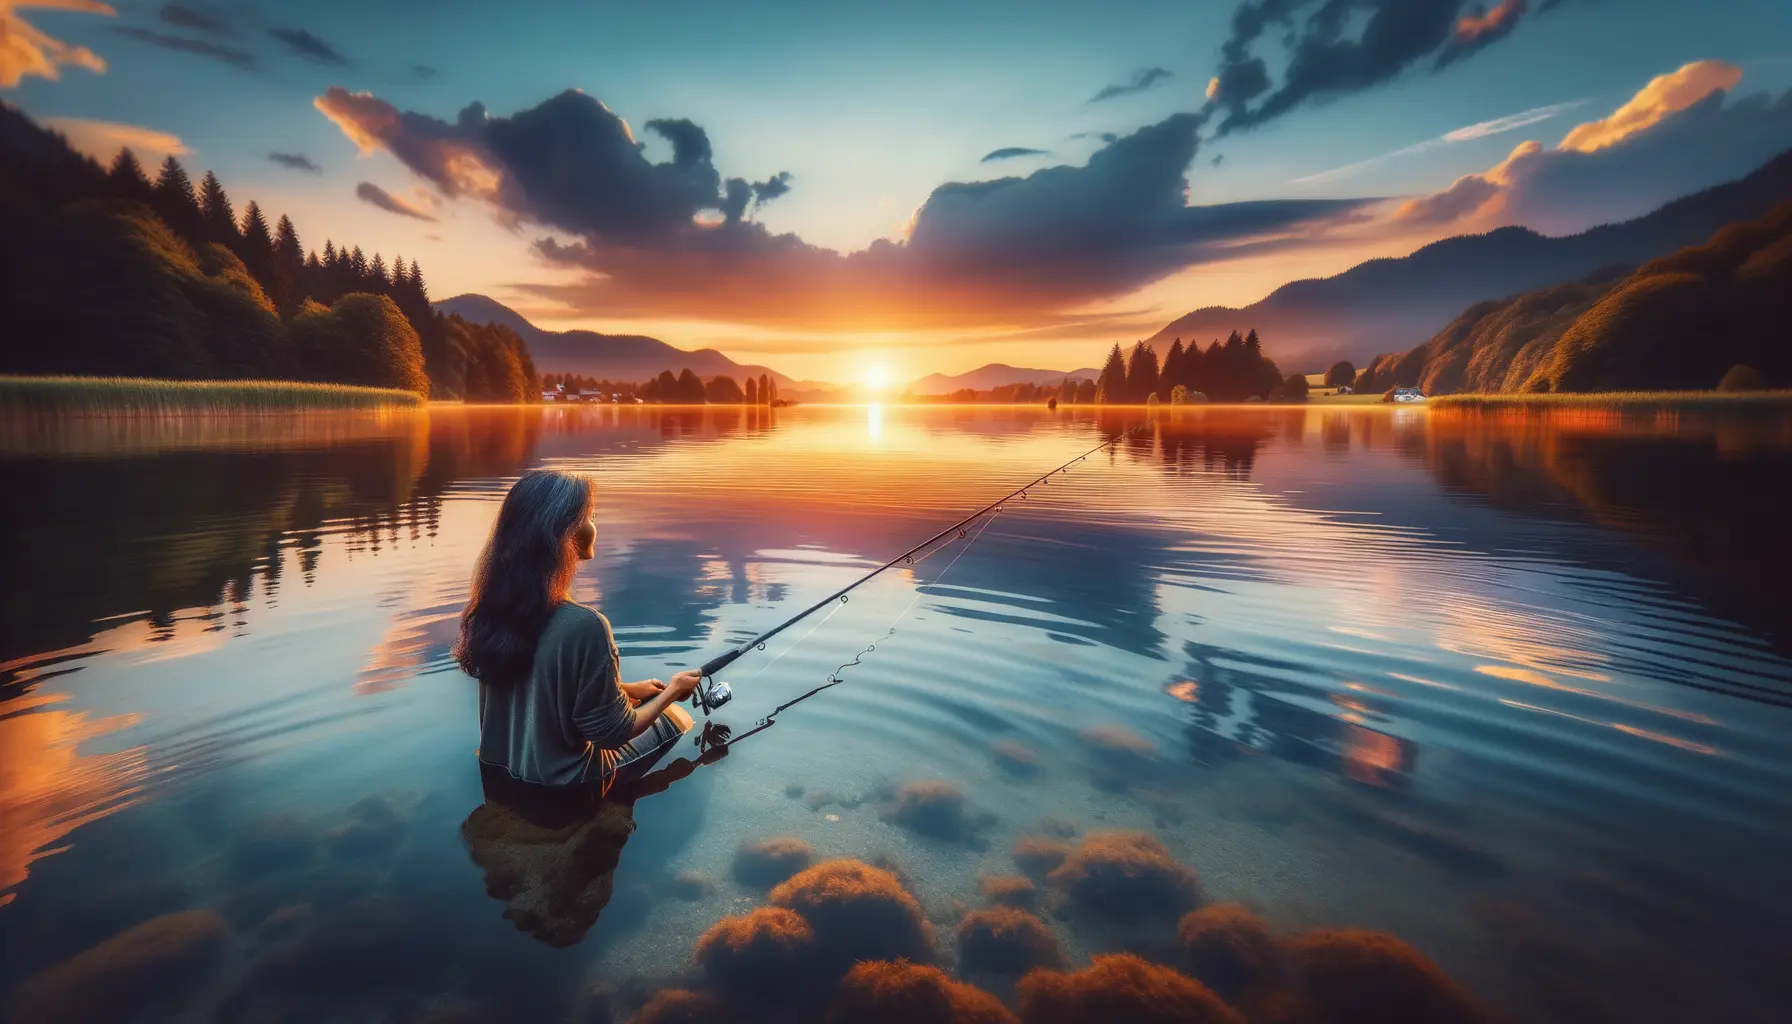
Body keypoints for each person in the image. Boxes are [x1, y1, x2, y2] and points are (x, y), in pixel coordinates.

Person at [454, 469, 700, 794]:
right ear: (566, 533)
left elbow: (539, 677)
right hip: (567, 781)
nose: (594, 526)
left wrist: (625, 688)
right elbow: (613, 733)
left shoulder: (493, 608)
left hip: (498, 770)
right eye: (591, 516)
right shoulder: (586, 626)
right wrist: (672, 692)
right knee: (676, 718)